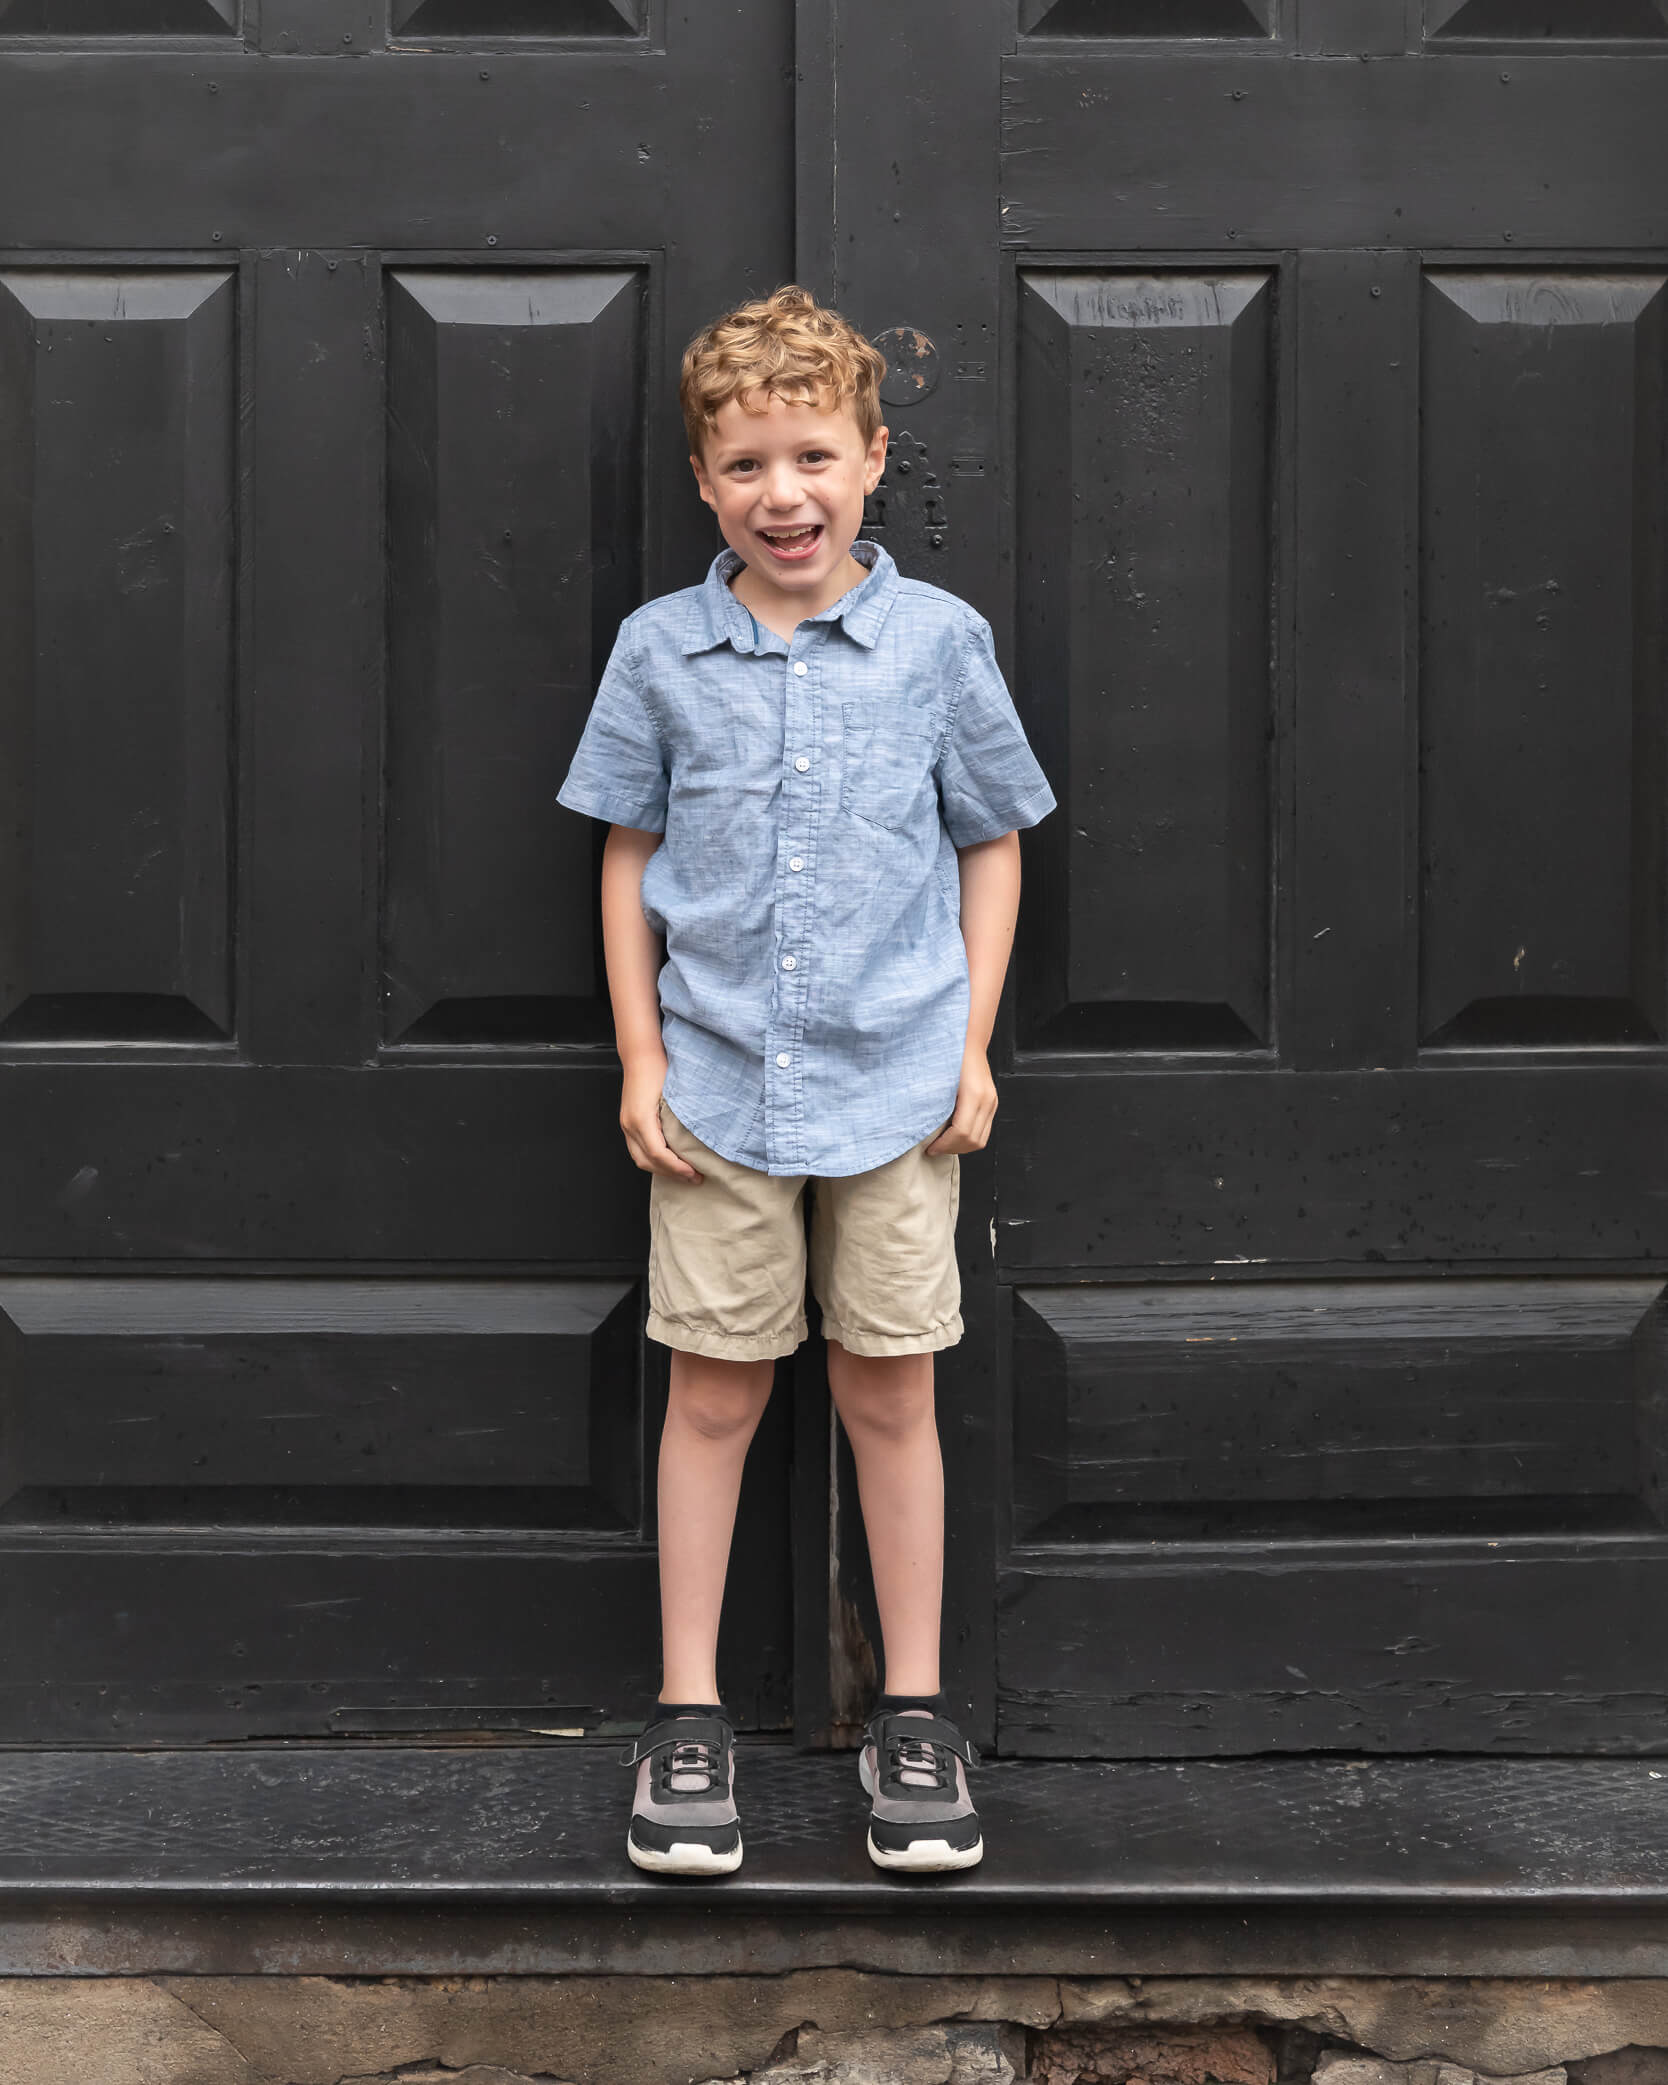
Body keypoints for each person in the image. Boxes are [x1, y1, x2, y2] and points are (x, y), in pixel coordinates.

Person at [557, 284, 1055, 1877]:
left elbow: (994, 836)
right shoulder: (661, 650)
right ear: (706, 482)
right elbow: (627, 850)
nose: (787, 493)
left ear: (873, 460)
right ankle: (686, 1712)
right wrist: (640, 1054)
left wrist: (969, 1043)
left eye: (815, 456)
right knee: (713, 1389)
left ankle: (912, 1708)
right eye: (750, 463)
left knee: (888, 1385)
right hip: (713, 1096)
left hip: (900, 1090)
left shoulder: (935, 642)